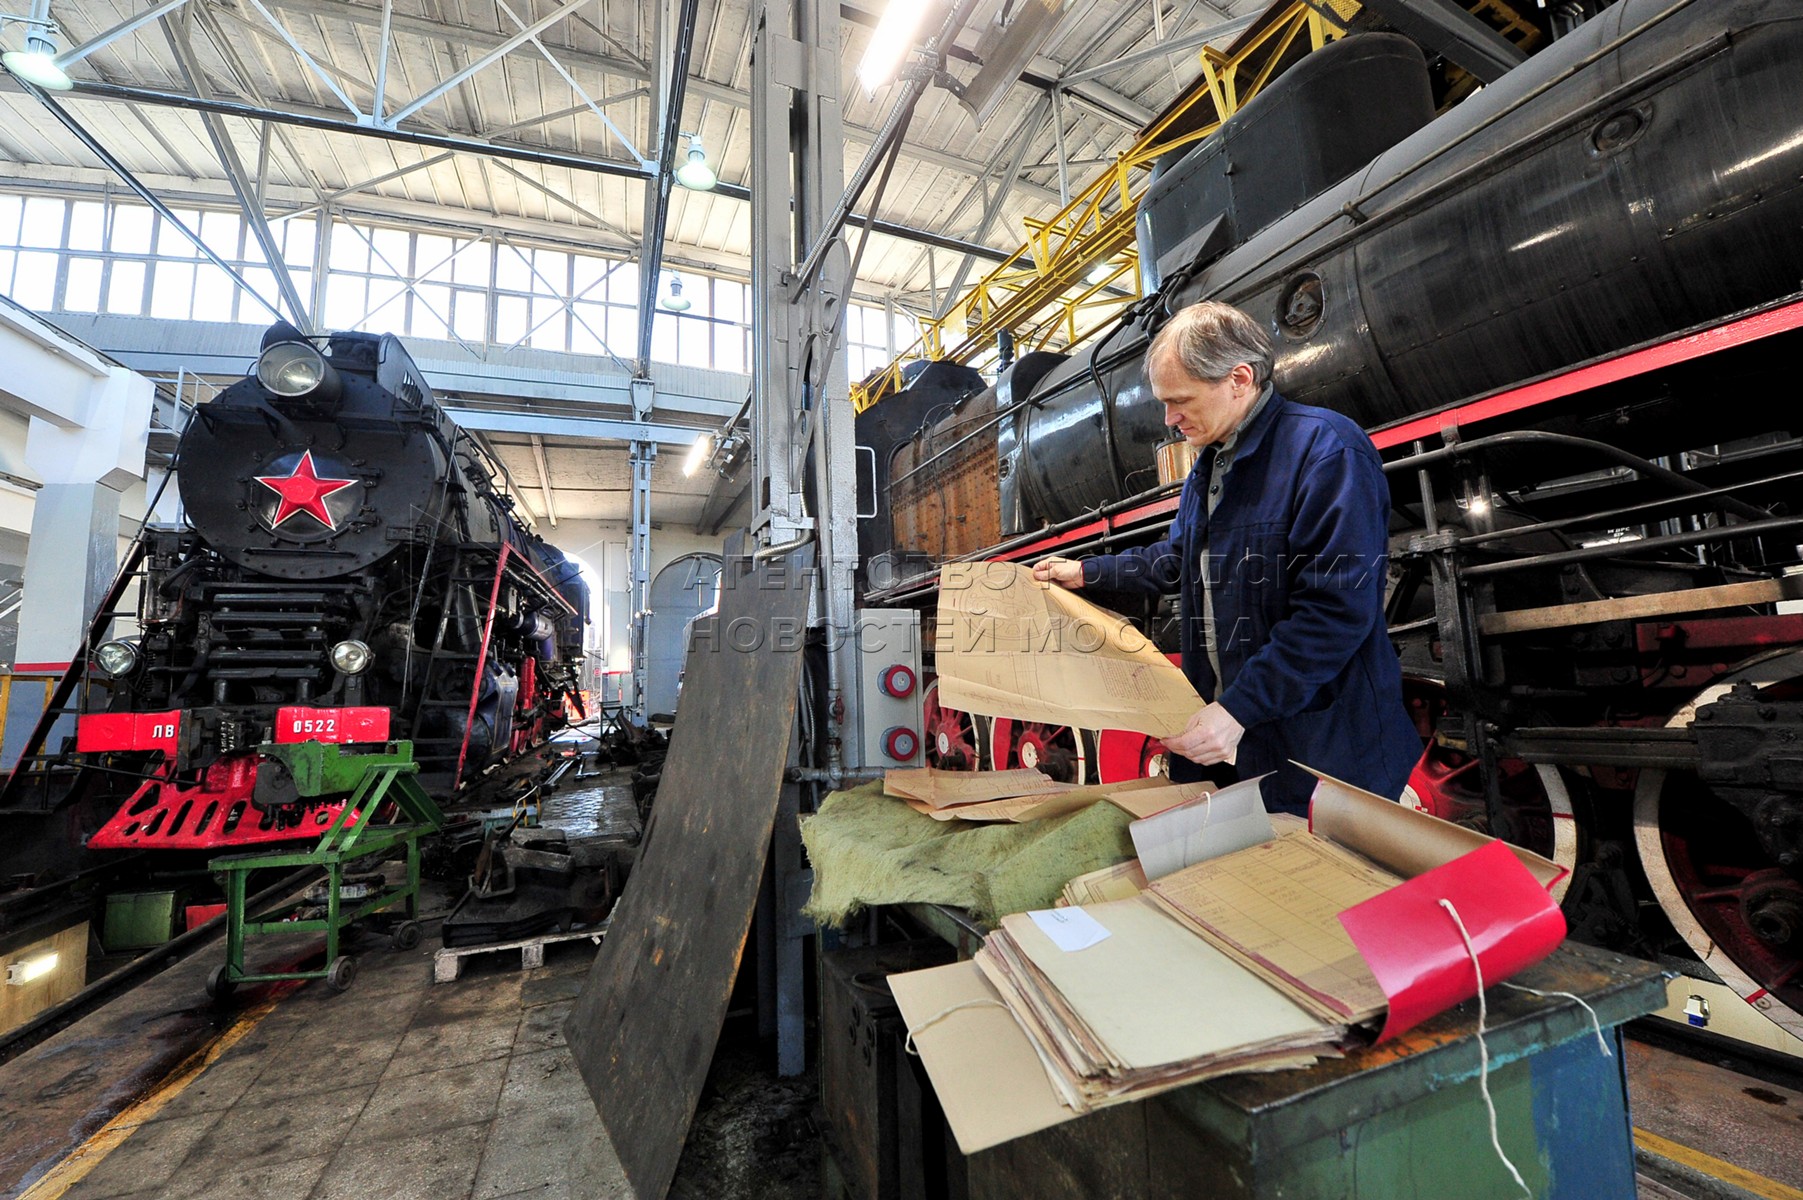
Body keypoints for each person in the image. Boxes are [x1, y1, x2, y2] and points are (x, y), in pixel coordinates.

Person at [1032, 300, 1418, 815]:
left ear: (1239, 378)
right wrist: (1085, 571)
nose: (1169, 419)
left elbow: (1335, 611)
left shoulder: (1327, 449)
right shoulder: (1212, 465)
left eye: (1180, 400)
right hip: (1234, 746)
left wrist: (1238, 708)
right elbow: (1176, 560)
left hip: (1319, 751)